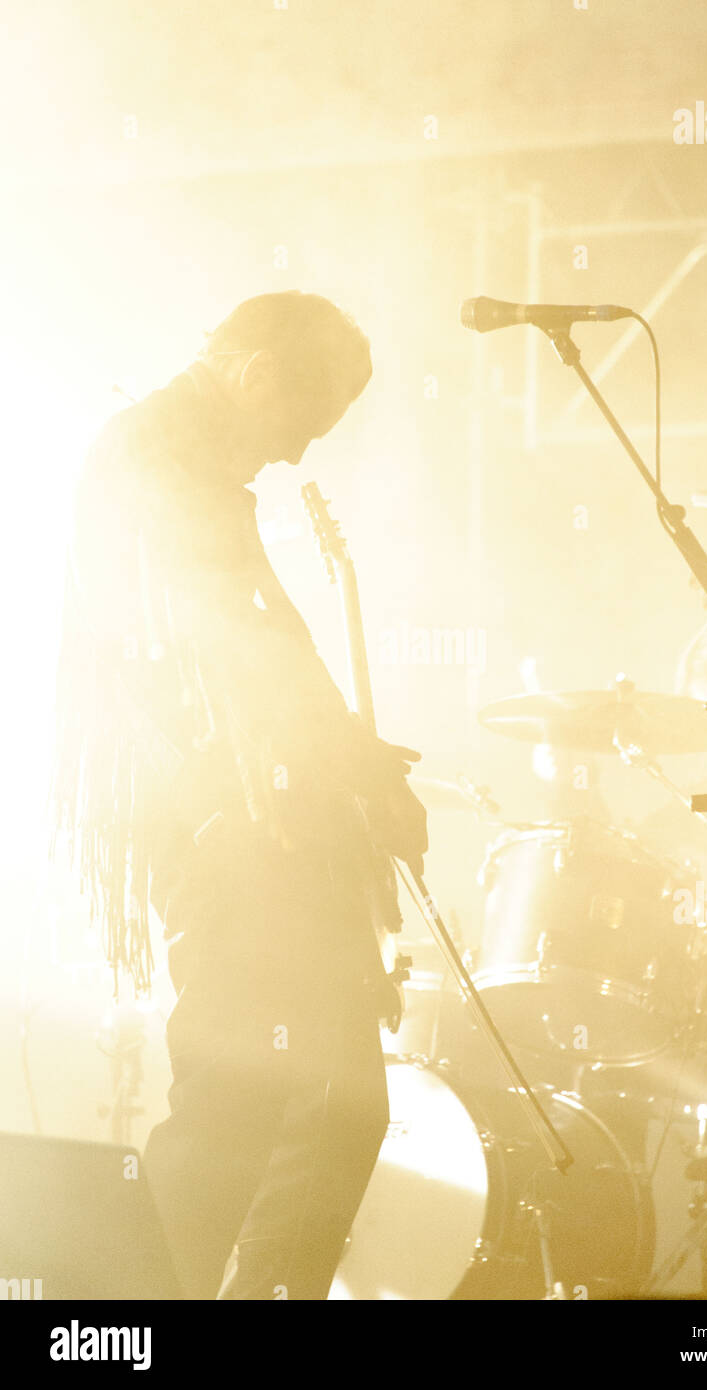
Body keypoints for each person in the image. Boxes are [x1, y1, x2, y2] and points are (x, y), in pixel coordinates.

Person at [51, 291, 428, 1299]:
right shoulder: (152, 458)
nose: (299, 456)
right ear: (258, 376)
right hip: (214, 826)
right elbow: (225, 646)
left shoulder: (189, 462)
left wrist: (351, 761)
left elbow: (263, 657)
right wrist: (344, 765)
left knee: (341, 1104)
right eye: (303, 425)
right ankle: (128, 1316)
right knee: (232, 1110)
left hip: (257, 825)